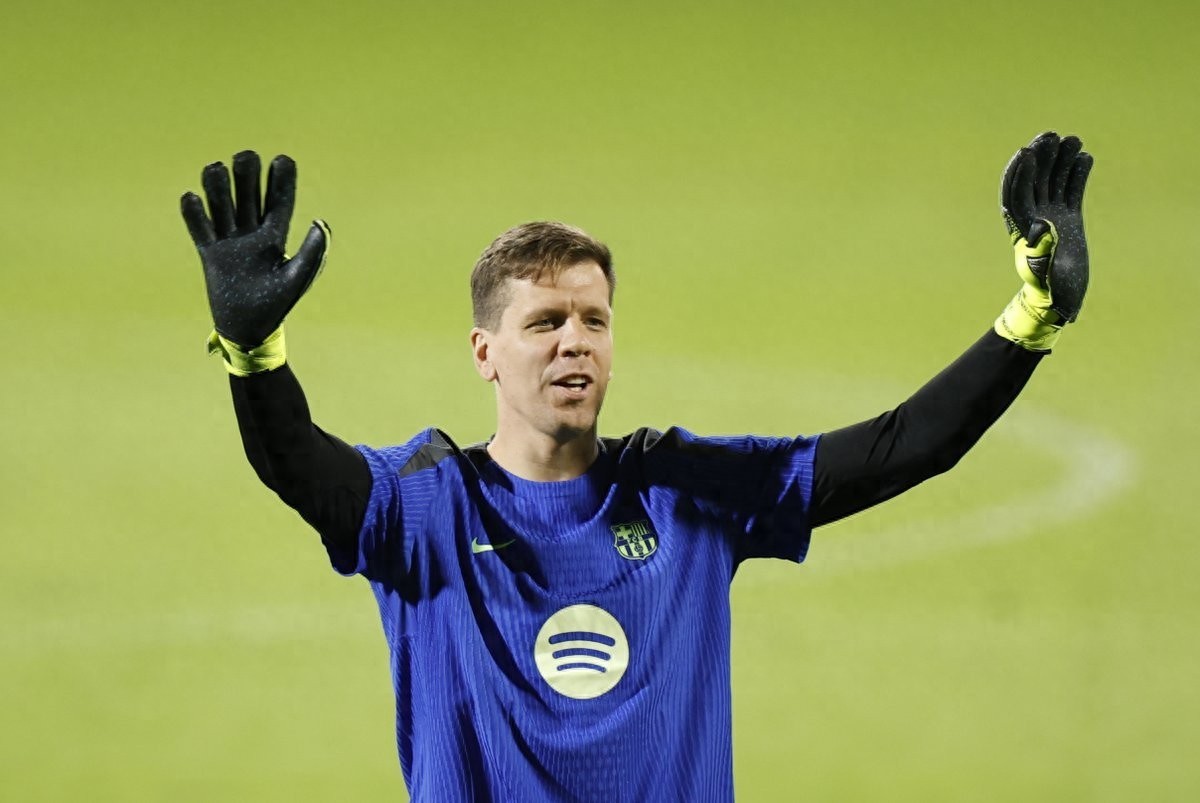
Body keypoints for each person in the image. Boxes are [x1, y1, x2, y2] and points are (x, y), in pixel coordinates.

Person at [180, 132, 1092, 802]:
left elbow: (906, 445)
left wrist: (1033, 317)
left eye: (594, 320)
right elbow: (296, 463)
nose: (574, 341)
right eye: (545, 322)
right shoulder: (424, 502)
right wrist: (254, 354)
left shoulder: (685, 490)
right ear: (485, 352)